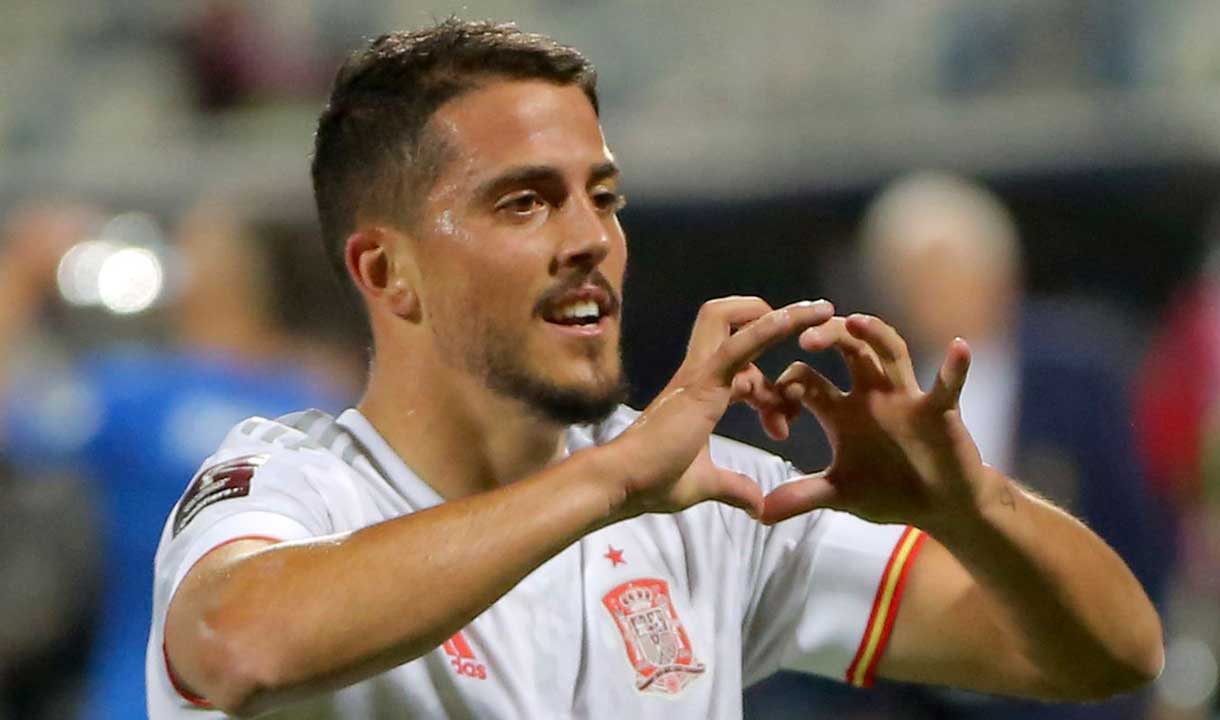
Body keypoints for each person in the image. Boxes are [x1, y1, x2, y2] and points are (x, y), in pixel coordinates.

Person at [148, 19, 1163, 719]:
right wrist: (608, 482)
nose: (588, 237)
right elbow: (237, 644)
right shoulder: (293, 483)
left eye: (602, 195)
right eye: (524, 202)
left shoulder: (709, 507)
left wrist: (971, 504)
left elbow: (1104, 655)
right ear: (387, 269)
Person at [0, 197, 353, 720]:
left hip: (171, 696)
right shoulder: (313, 395)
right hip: (230, 696)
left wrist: (20, 274)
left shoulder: (143, 397)